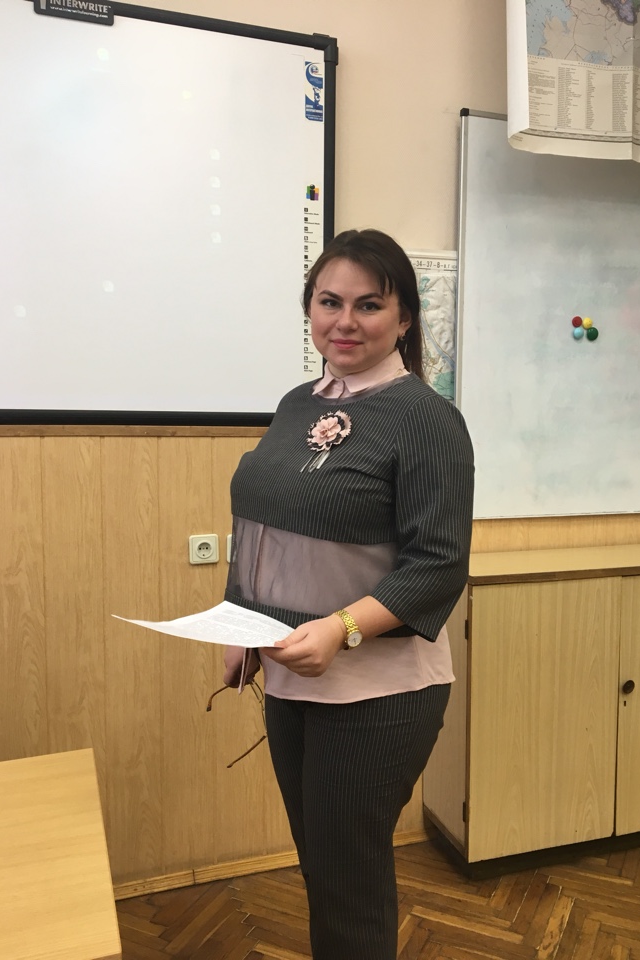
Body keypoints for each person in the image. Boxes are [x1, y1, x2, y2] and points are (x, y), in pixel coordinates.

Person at [223, 228, 474, 960]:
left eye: (369, 305)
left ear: (404, 319)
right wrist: (242, 626)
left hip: (378, 693)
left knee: (347, 879)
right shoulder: (297, 403)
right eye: (329, 302)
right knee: (322, 865)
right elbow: (263, 524)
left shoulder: (427, 419)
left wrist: (342, 628)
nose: (345, 321)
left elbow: (437, 565)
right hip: (291, 678)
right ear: (309, 309)